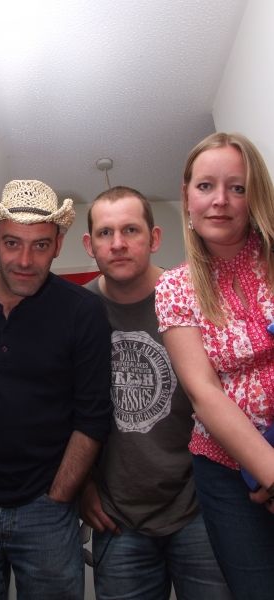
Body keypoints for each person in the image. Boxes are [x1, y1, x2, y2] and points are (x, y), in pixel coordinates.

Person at [0, 179, 111, 600]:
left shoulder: (83, 311)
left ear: (58, 244)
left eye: (40, 245)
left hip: (46, 513)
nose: (26, 260)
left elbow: (92, 418)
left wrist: (58, 498)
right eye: (12, 243)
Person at [80, 186, 231, 600]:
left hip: (199, 504)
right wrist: (82, 487)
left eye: (131, 230)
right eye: (106, 233)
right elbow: (60, 409)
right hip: (117, 516)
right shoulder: (76, 310)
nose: (118, 243)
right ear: (90, 245)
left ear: (155, 238)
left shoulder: (192, 298)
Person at [155, 132, 274, 600]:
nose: (220, 200)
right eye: (205, 186)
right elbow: (204, 392)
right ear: (187, 196)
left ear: (254, 196)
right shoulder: (175, 287)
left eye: (237, 187)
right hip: (226, 473)